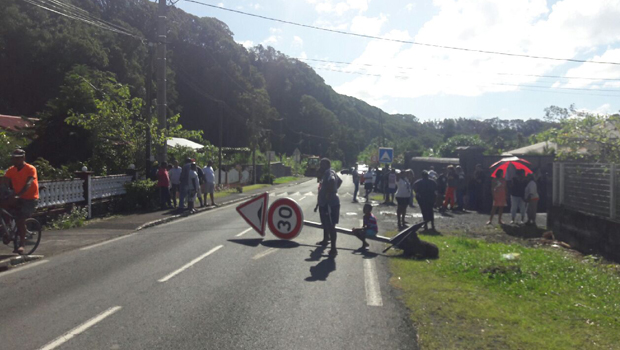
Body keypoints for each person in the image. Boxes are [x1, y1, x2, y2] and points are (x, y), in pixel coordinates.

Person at [3, 149, 39, 255]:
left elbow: (28, 183)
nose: (15, 160)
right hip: (16, 197)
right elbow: (4, 181)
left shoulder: (30, 169)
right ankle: (8, 228)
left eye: (17, 158)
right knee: (3, 206)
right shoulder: (11, 170)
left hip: (30, 199)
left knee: (20, 219)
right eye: (14, 158)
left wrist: (19, 195)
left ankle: (22, 244)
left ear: (23, 158)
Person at [317, 158, 341, 257]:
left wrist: (329, 193)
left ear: (326, 165)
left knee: (331, 227)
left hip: (330, 204)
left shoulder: (329, 173)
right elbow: (339, 181)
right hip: (327, 203)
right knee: (327, 225)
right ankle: (327, 241)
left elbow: (332, 181)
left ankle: (333, 249)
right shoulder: (328, 173)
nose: (320, 166)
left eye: (321, 164)